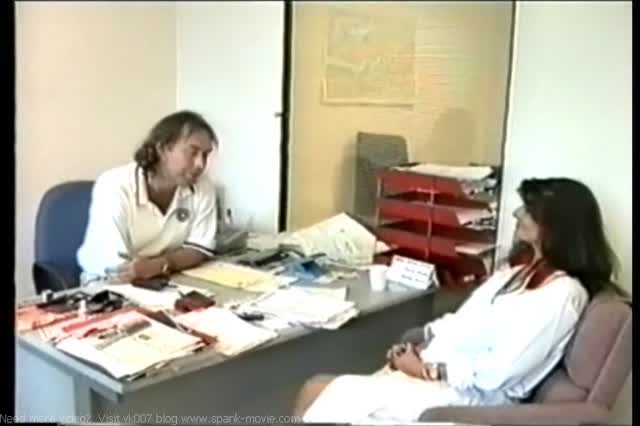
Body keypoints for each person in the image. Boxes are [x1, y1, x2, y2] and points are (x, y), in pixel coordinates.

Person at [294, 177, 625, 423]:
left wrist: (429, 370)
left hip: (468, 400)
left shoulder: (562, 295)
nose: (517, 214)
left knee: (316, 390)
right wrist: (421, 344)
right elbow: (464, 321)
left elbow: (500, 373)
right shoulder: (517, 272)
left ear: (555, 226)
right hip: (437, 371)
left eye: (528, 210)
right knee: (325, 395)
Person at [77, 110, 219, 285]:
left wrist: (161, 265)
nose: (200, 164)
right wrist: (159, 268)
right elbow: (119, 270)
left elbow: (199, 249)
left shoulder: (202, 186)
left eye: (206, 154)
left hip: (166, 277)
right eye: (193, 152)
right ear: (163, 149)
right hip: (108, 282)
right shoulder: (114, 185)